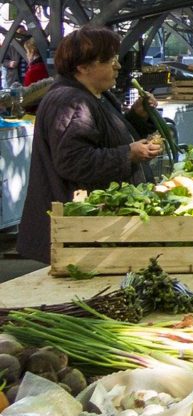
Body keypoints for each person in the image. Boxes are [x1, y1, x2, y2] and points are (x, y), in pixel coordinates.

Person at [18, 26, 163, 263]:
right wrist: (128, 154)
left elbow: (105, 136)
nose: (117, 66)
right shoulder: (71, 101)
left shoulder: (94, 95)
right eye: (109, 60)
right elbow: (74, 162)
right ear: (83, 67)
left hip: (91, 231)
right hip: (78, 233)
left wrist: (137, 117)